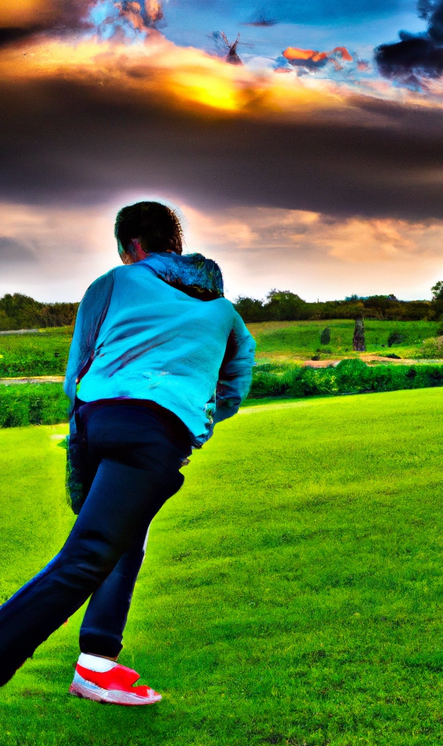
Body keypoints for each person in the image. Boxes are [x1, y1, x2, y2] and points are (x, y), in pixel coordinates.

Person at [0, 201, 255, 705]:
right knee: (89, 553)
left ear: (130, 247)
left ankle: (96, 662)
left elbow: (79, 367)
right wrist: (194, 419)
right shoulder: (224, 311)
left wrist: (87, 420)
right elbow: (235, 382)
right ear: (175, 243)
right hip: (156, 431)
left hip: (100, 420)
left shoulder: (113, 284)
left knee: (123, 535)